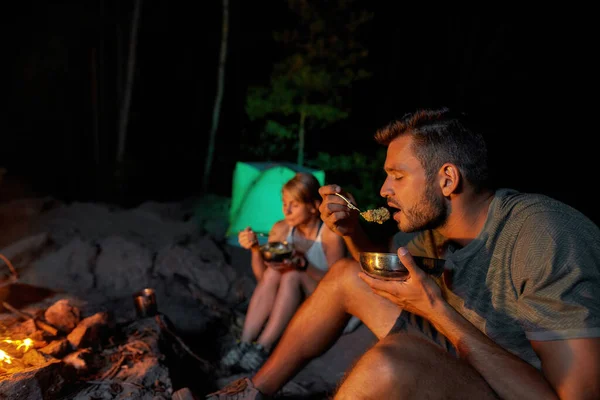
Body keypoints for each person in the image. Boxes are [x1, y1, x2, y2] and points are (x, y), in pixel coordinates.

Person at [207, 108, 600, 399]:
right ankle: (251, 393)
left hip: (513, 387)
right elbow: (377, 274)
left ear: (447, 179)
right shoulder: (436, 233)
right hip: (466, 351)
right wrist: (351, 229)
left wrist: (434, 309)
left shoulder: (543, 235)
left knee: (391, 361)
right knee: (345, 276)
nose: (383, 190)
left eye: (397, 176)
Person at [219, 172, 348, 373]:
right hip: (290, 299)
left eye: (294, 204)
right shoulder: (280, 229)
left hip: (323, 301)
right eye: (284, 202)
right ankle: (244, 343)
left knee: (291, 273)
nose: (286, 210)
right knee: (276, 273)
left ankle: (263, 347)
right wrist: (255, 250)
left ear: (314, 206)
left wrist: (304, 265)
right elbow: (264, 279)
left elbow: (339, 285)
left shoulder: (330, 235)